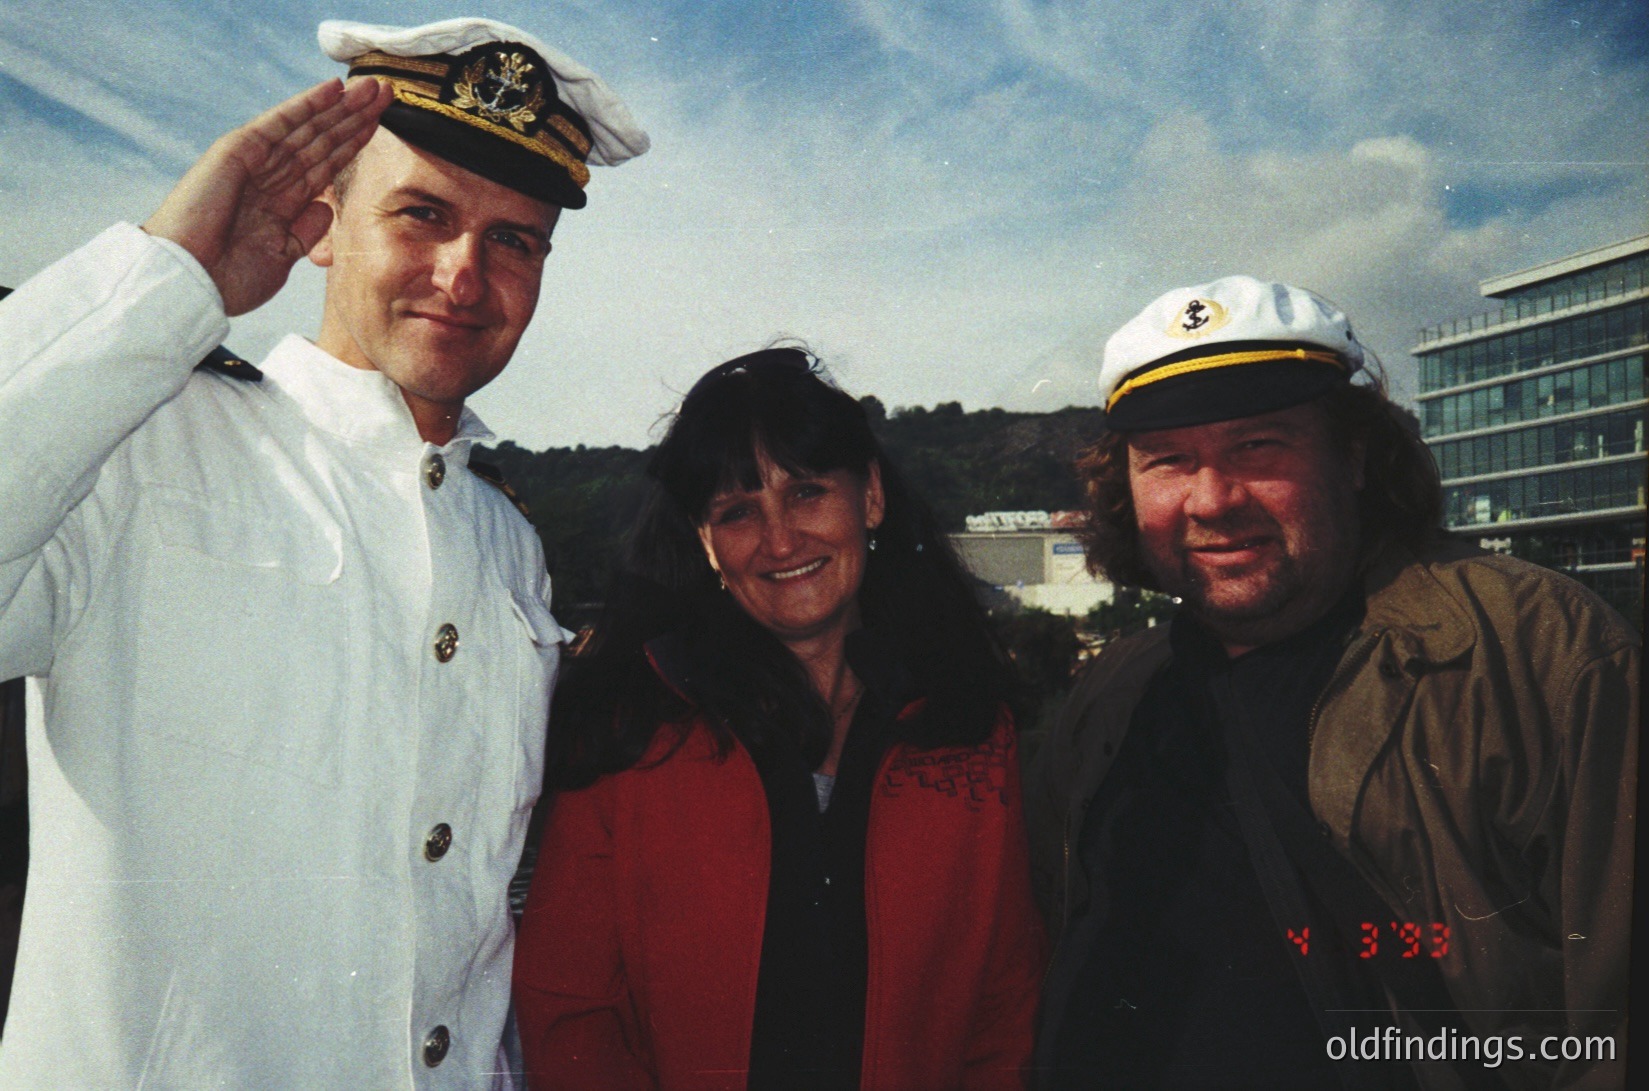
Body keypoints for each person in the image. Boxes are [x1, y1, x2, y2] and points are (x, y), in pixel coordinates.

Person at [0, 17, 646, 1087]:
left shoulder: (508, 547)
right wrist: (167, 273)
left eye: (513, 240)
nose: (463, 275)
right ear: (323, 224)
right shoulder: (138, 445)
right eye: (422, 214)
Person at [1027, 276, 1638, 1089]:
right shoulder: (1111, 693)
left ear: (1351, 455)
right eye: (1169, 461)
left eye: (1258, 447)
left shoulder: (1532, 651)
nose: (1211, 499)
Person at [513, 349, 1047, 1089]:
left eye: (806, 493)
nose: (780, 540)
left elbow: (1004, 1010)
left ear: (870, 499)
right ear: (704, 542)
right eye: (736, 512)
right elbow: (569, 1011)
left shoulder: (968, 733)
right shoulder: (627, 736)